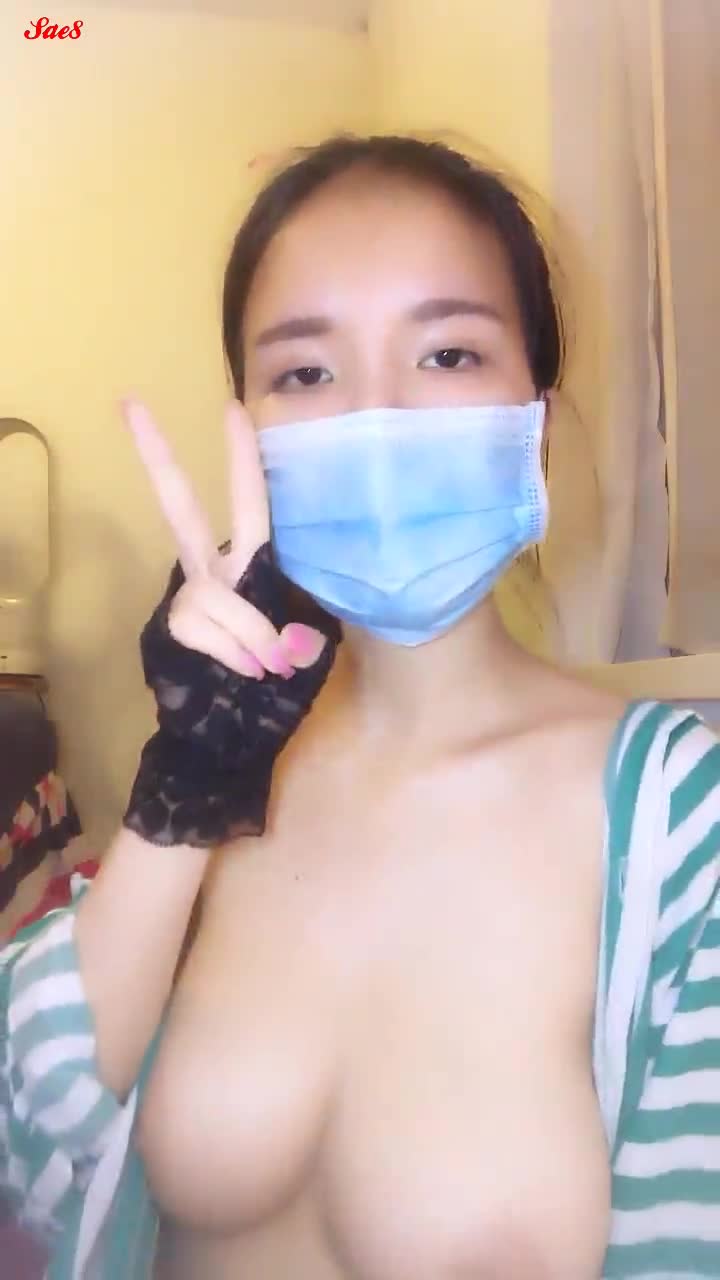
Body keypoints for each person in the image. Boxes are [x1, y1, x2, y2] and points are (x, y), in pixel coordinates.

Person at [2, 133, 719, 1280]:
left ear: (536, 418)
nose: (377, 416)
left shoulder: (681, 816)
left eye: (447, 352)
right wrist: (178, 800)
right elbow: (23, 1159)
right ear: (247, 426)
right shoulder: (221, 772)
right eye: (305, 373)